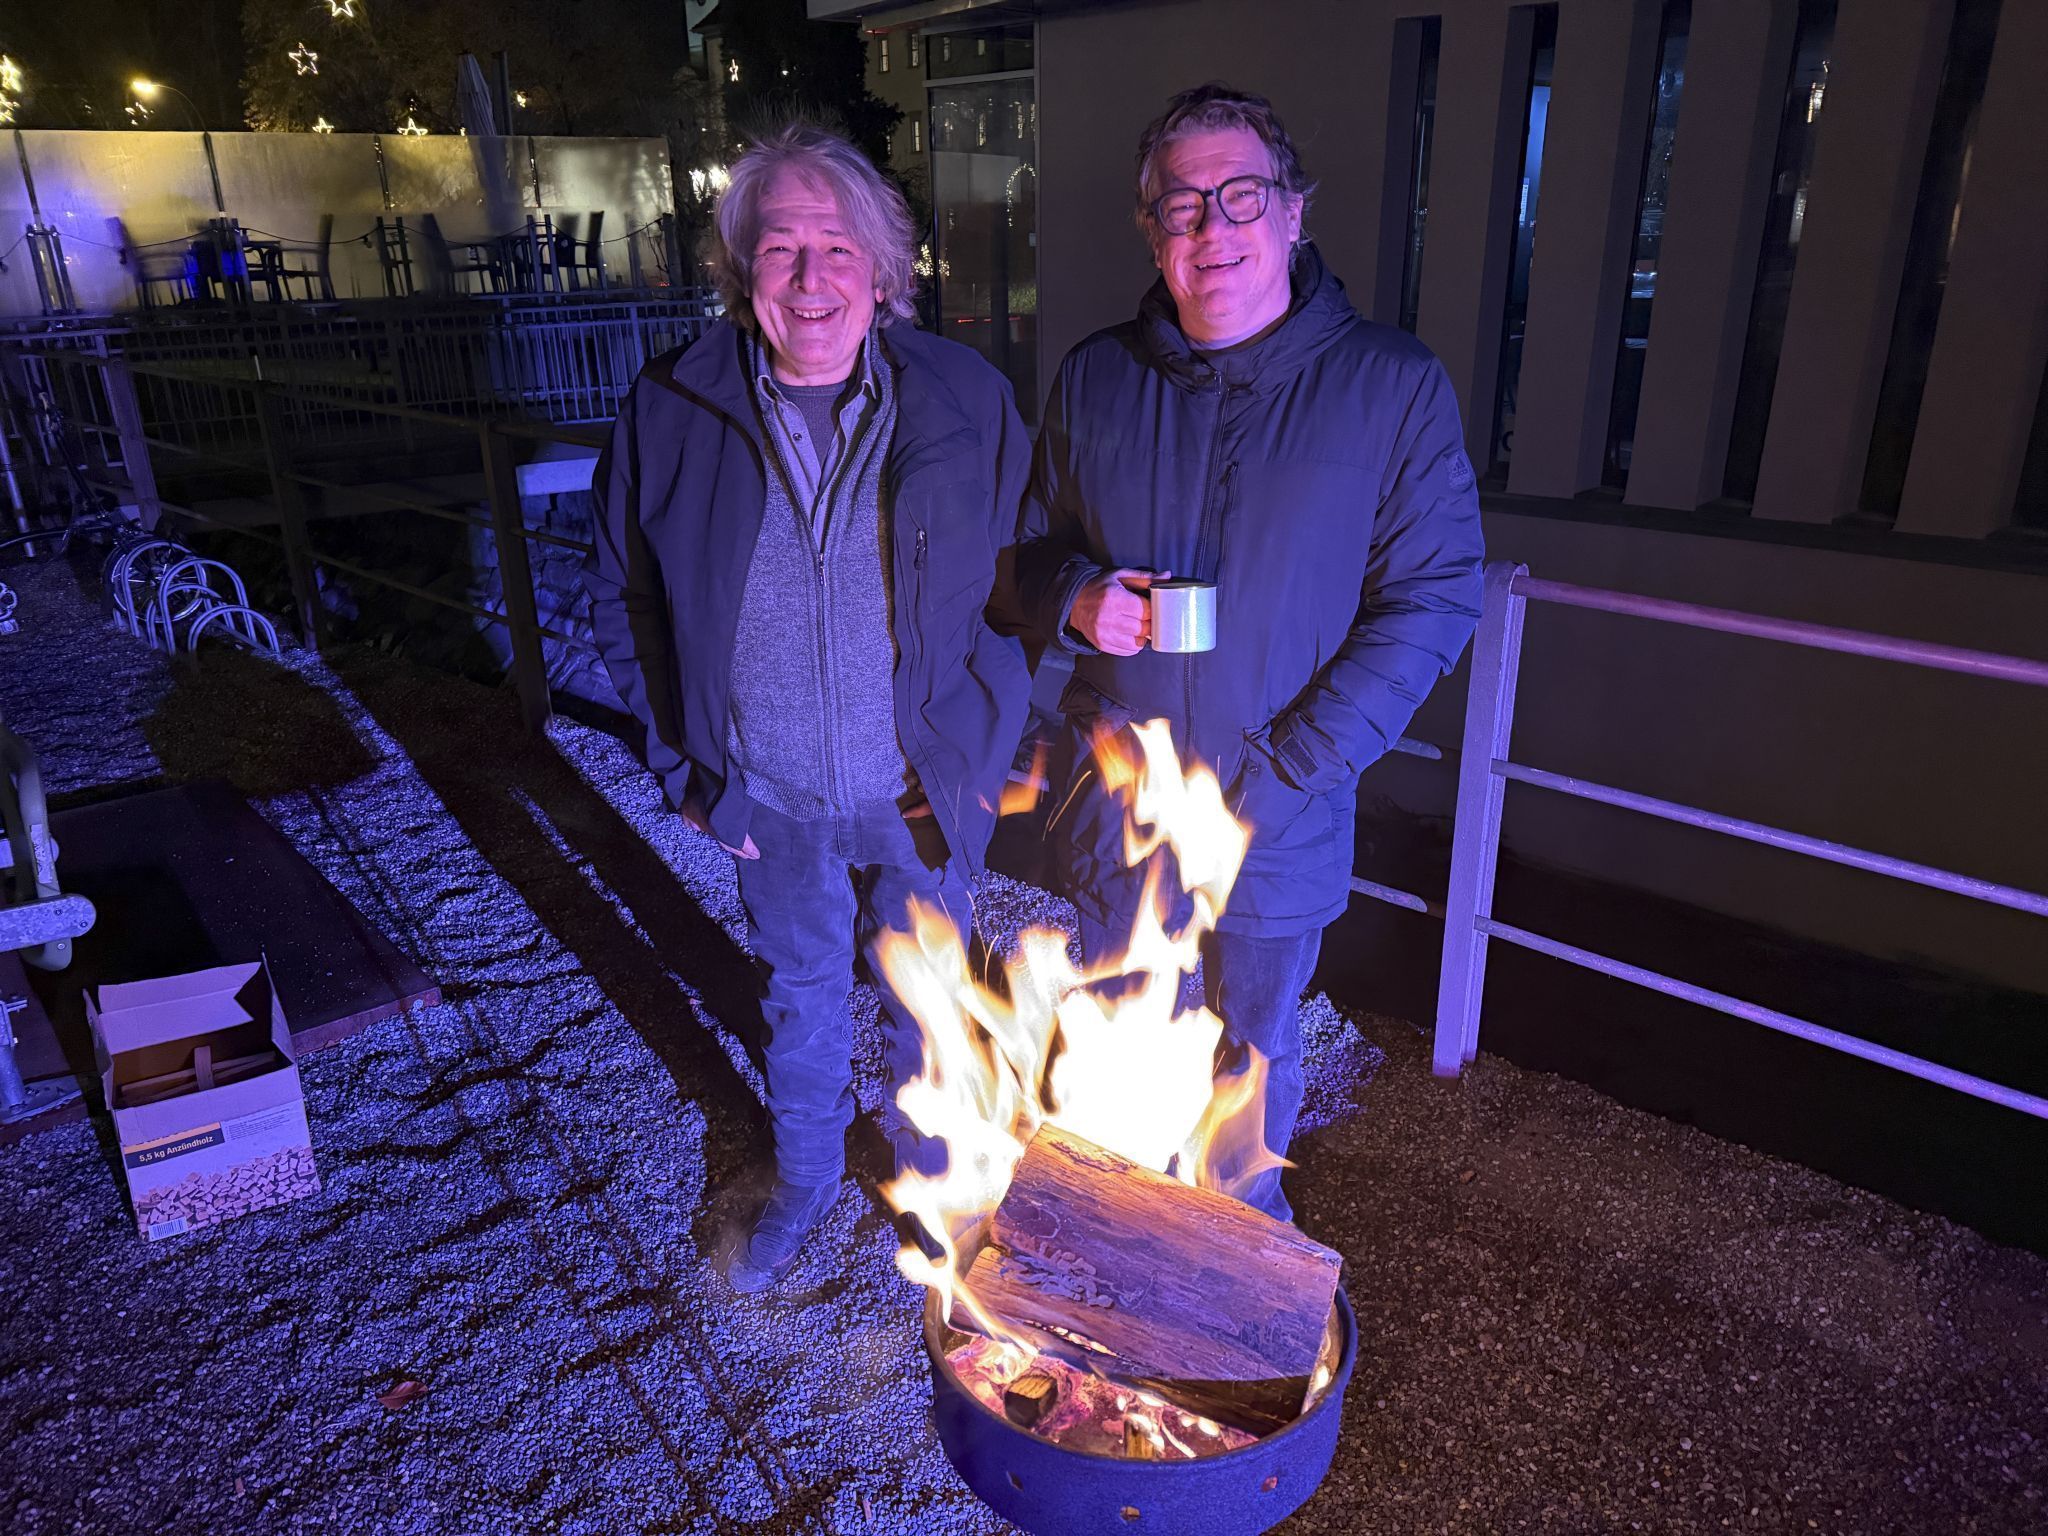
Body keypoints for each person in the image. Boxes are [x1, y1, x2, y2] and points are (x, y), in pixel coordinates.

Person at [1011, 83, 1485, 1223]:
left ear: (1291, 212)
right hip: (1118, 808)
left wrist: (1284, 771)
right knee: (1116, 1060)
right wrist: (1074, 599)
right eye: (1181, 205)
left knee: (1250, 1068)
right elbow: (1024, 548)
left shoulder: (1388, 384)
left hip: (1279, 815)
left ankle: (1234, 1278)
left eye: (1239, 197)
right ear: (1149, 229)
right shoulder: (1094, 377)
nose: (1210, 227)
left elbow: (1432, 596)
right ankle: (1116, 1279)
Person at [585, 121, 1033, 1290]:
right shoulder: (669, 407)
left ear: (883, 270)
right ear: (739, 274)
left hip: (916, 783)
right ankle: (804, 1177)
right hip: (768, 794)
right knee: (797, 1001)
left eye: (836, 248)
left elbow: (1026, 575)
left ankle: (939, 1180)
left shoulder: (963, 396)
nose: (809, 277)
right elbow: (621, 597)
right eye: (778, 249)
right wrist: (689, 772)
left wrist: (996, 738)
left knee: (930, 997)